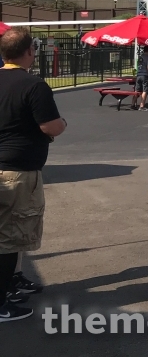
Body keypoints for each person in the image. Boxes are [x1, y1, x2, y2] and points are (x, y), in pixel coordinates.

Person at [0, 27, 66, 322]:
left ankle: (12, 282)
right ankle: (2, 301)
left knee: (7, 234)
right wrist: (62, 124)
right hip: (18, 171)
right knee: (11, 237)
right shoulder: (33, 85)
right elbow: (50, 126)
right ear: (29, 52)